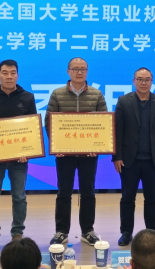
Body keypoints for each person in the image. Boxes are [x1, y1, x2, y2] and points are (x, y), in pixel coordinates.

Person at [45, 57, 107, 246]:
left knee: (88, 192)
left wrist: (97, 146)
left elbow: (104, 122)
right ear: (68, 71)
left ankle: (87, 231)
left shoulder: (97, 94)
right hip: (64, 154)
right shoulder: (57, 94)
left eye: (83, 69)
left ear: (87, 71)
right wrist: (56, 145)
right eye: (75, 69)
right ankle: (61, 232)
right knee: (64, 192)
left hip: (89, 154)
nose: (79, 72)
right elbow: (49, 121)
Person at [0, 60, 37, 252]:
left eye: (13, 73)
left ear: (17, 75)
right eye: (5, 73)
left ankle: (17, 233)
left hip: (19, 159)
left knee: (19, 197)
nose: (9, 76)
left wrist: (28, 151)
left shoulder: (28, 98)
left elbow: (32, 128)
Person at [113, 67, 155, 246]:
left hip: (153, 160)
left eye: (147, 79)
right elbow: (117, 130)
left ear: (152, 82)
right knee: (127, 198)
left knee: (152, 199)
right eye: (140, 79)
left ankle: (152, 232)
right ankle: (126, 232)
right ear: (134, 81)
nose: (143, 82)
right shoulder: (124, 101)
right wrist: (116, 156)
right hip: (128, 160)